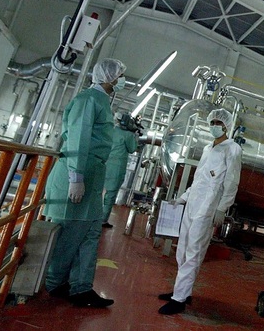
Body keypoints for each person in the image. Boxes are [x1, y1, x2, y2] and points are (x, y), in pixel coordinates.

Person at [42, 58, 127, 308]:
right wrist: (76, 177)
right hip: (78, 174)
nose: (121, 80)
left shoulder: (101, 102)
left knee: (90, 233)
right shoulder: (89, 99)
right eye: (119, 75)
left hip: (92, 174)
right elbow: (78, 138)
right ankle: (54, 282)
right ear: (108, 77)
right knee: (71, 235)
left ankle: (80, 287)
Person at [158, 108, 242, 315]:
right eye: (211, 122)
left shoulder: (232, 149)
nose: (214, 125)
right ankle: (182, 291)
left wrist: (222, 208)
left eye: (218, 123)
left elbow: (231, 182)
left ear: (226, 125)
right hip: (193, 203)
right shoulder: (207, 148)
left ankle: (179, 299)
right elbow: (200, 179)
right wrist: (183, 197)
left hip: (208, 207)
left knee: (194, 251)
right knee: (183, 249)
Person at [101, 113, 139, 229]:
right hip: (116, 168)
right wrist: (135, 137)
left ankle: (91, 216)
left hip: (104, 163)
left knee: (97, 192)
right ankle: (103, 220)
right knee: (110, 195)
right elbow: (132, 149)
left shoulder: (110, 130)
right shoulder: (127, 135)